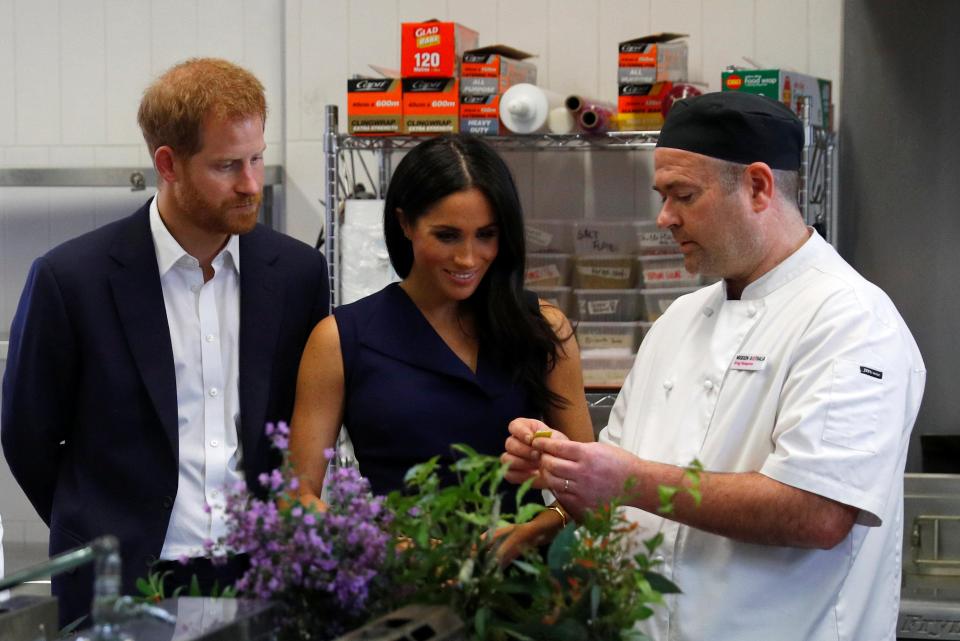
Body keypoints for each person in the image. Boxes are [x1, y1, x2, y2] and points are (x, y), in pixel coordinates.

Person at [502, 92, 926, 641]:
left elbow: (819, 513)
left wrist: (626, 479)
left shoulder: (850, 319)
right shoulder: (678, 321)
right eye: (663, 196)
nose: (664, 218)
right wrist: (568, 470)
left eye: (683, 195)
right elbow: (619, 504)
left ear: (757, 186)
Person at [1, 58, 329, 626]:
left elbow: (297, 424)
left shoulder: (297, 275)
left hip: (260, 570)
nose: (251, 183)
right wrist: (98, 517)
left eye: (256, 158)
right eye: (227, 165)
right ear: (167, 163)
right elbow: (26, 432)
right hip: (121, 574)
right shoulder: (72, 279)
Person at [288, 134, 593, 562]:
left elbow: (589, 491)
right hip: (397, 591)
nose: (468, 258)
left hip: (525, 600)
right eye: (447, 236)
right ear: (405, 224)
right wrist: (388, 547)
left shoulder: (541, 328)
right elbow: (298, 497)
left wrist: (531, 531)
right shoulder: (341, 339)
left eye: (486, 235)